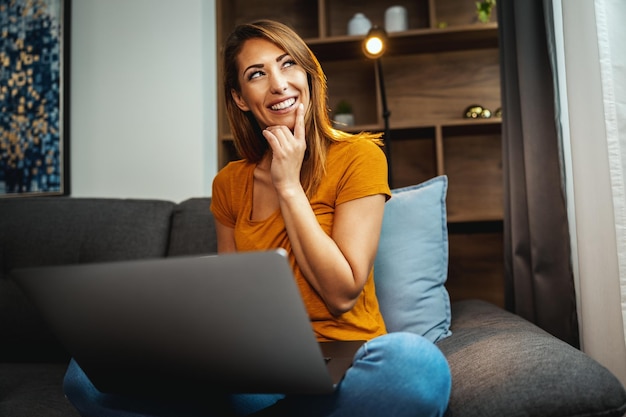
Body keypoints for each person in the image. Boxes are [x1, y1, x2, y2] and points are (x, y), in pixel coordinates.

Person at [62, 20, 451, 417]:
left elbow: (342, 293)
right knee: (85, 374)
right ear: (241, 97)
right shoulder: (229, 183)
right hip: (261, 371)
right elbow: (235, 307)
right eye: (257, 74)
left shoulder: (359, 157)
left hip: (346, 358)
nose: (278, 84)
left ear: (309, 75)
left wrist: (288, 186)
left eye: (288, 65)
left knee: (416, 366)